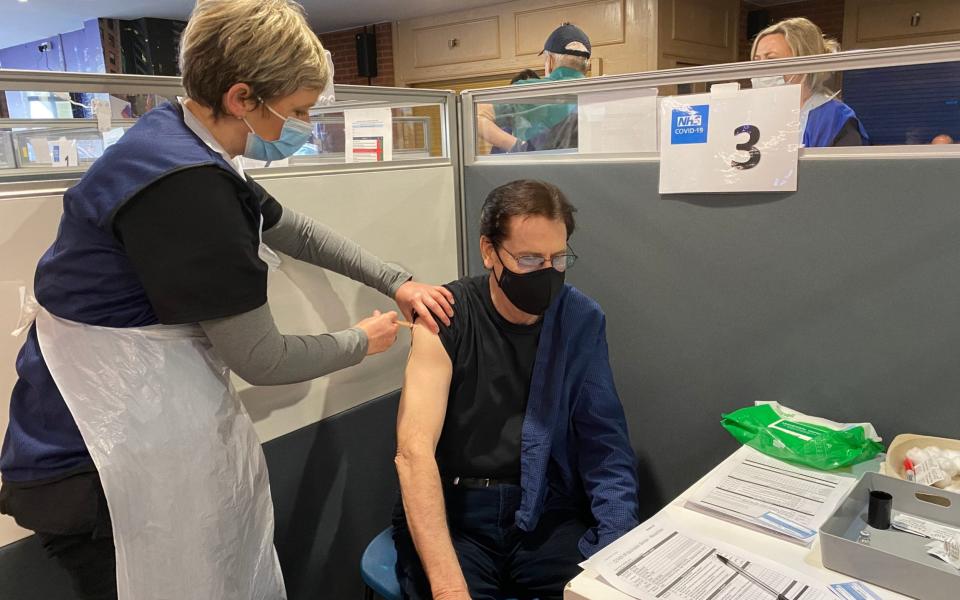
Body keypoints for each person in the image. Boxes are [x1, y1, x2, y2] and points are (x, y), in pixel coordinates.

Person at [0, 1, 454, 599]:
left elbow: (295, 230)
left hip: (111, 440)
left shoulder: (177, 144)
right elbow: (263, 360)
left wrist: (394, 278)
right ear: (243, 97)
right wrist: (360, 342)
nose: (304, 126)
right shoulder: (187, 190)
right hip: (90, 466)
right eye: (296, 112)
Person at [393, 180, 639, 600]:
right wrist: (450, 587)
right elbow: (413, 453)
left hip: (543, 509)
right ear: (490, 252)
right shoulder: (445, 316)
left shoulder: (579, 319)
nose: (546, 272)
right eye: (528, 259)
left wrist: (617, 552)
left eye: (558, 259)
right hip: (458, 512)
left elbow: (605, 443)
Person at [751, 17, 869, 148]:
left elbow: (846, 167)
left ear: (803, 61)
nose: (760, 69)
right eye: (757, 61)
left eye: (771, 59)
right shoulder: (755, 115)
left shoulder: (835, 119)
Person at [478, 23, 592, 153]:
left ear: (550, 61)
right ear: (587, 66)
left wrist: (519, 147)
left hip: (536, 172)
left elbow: (477, 116)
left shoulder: (529, 91)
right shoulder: (602, 94)